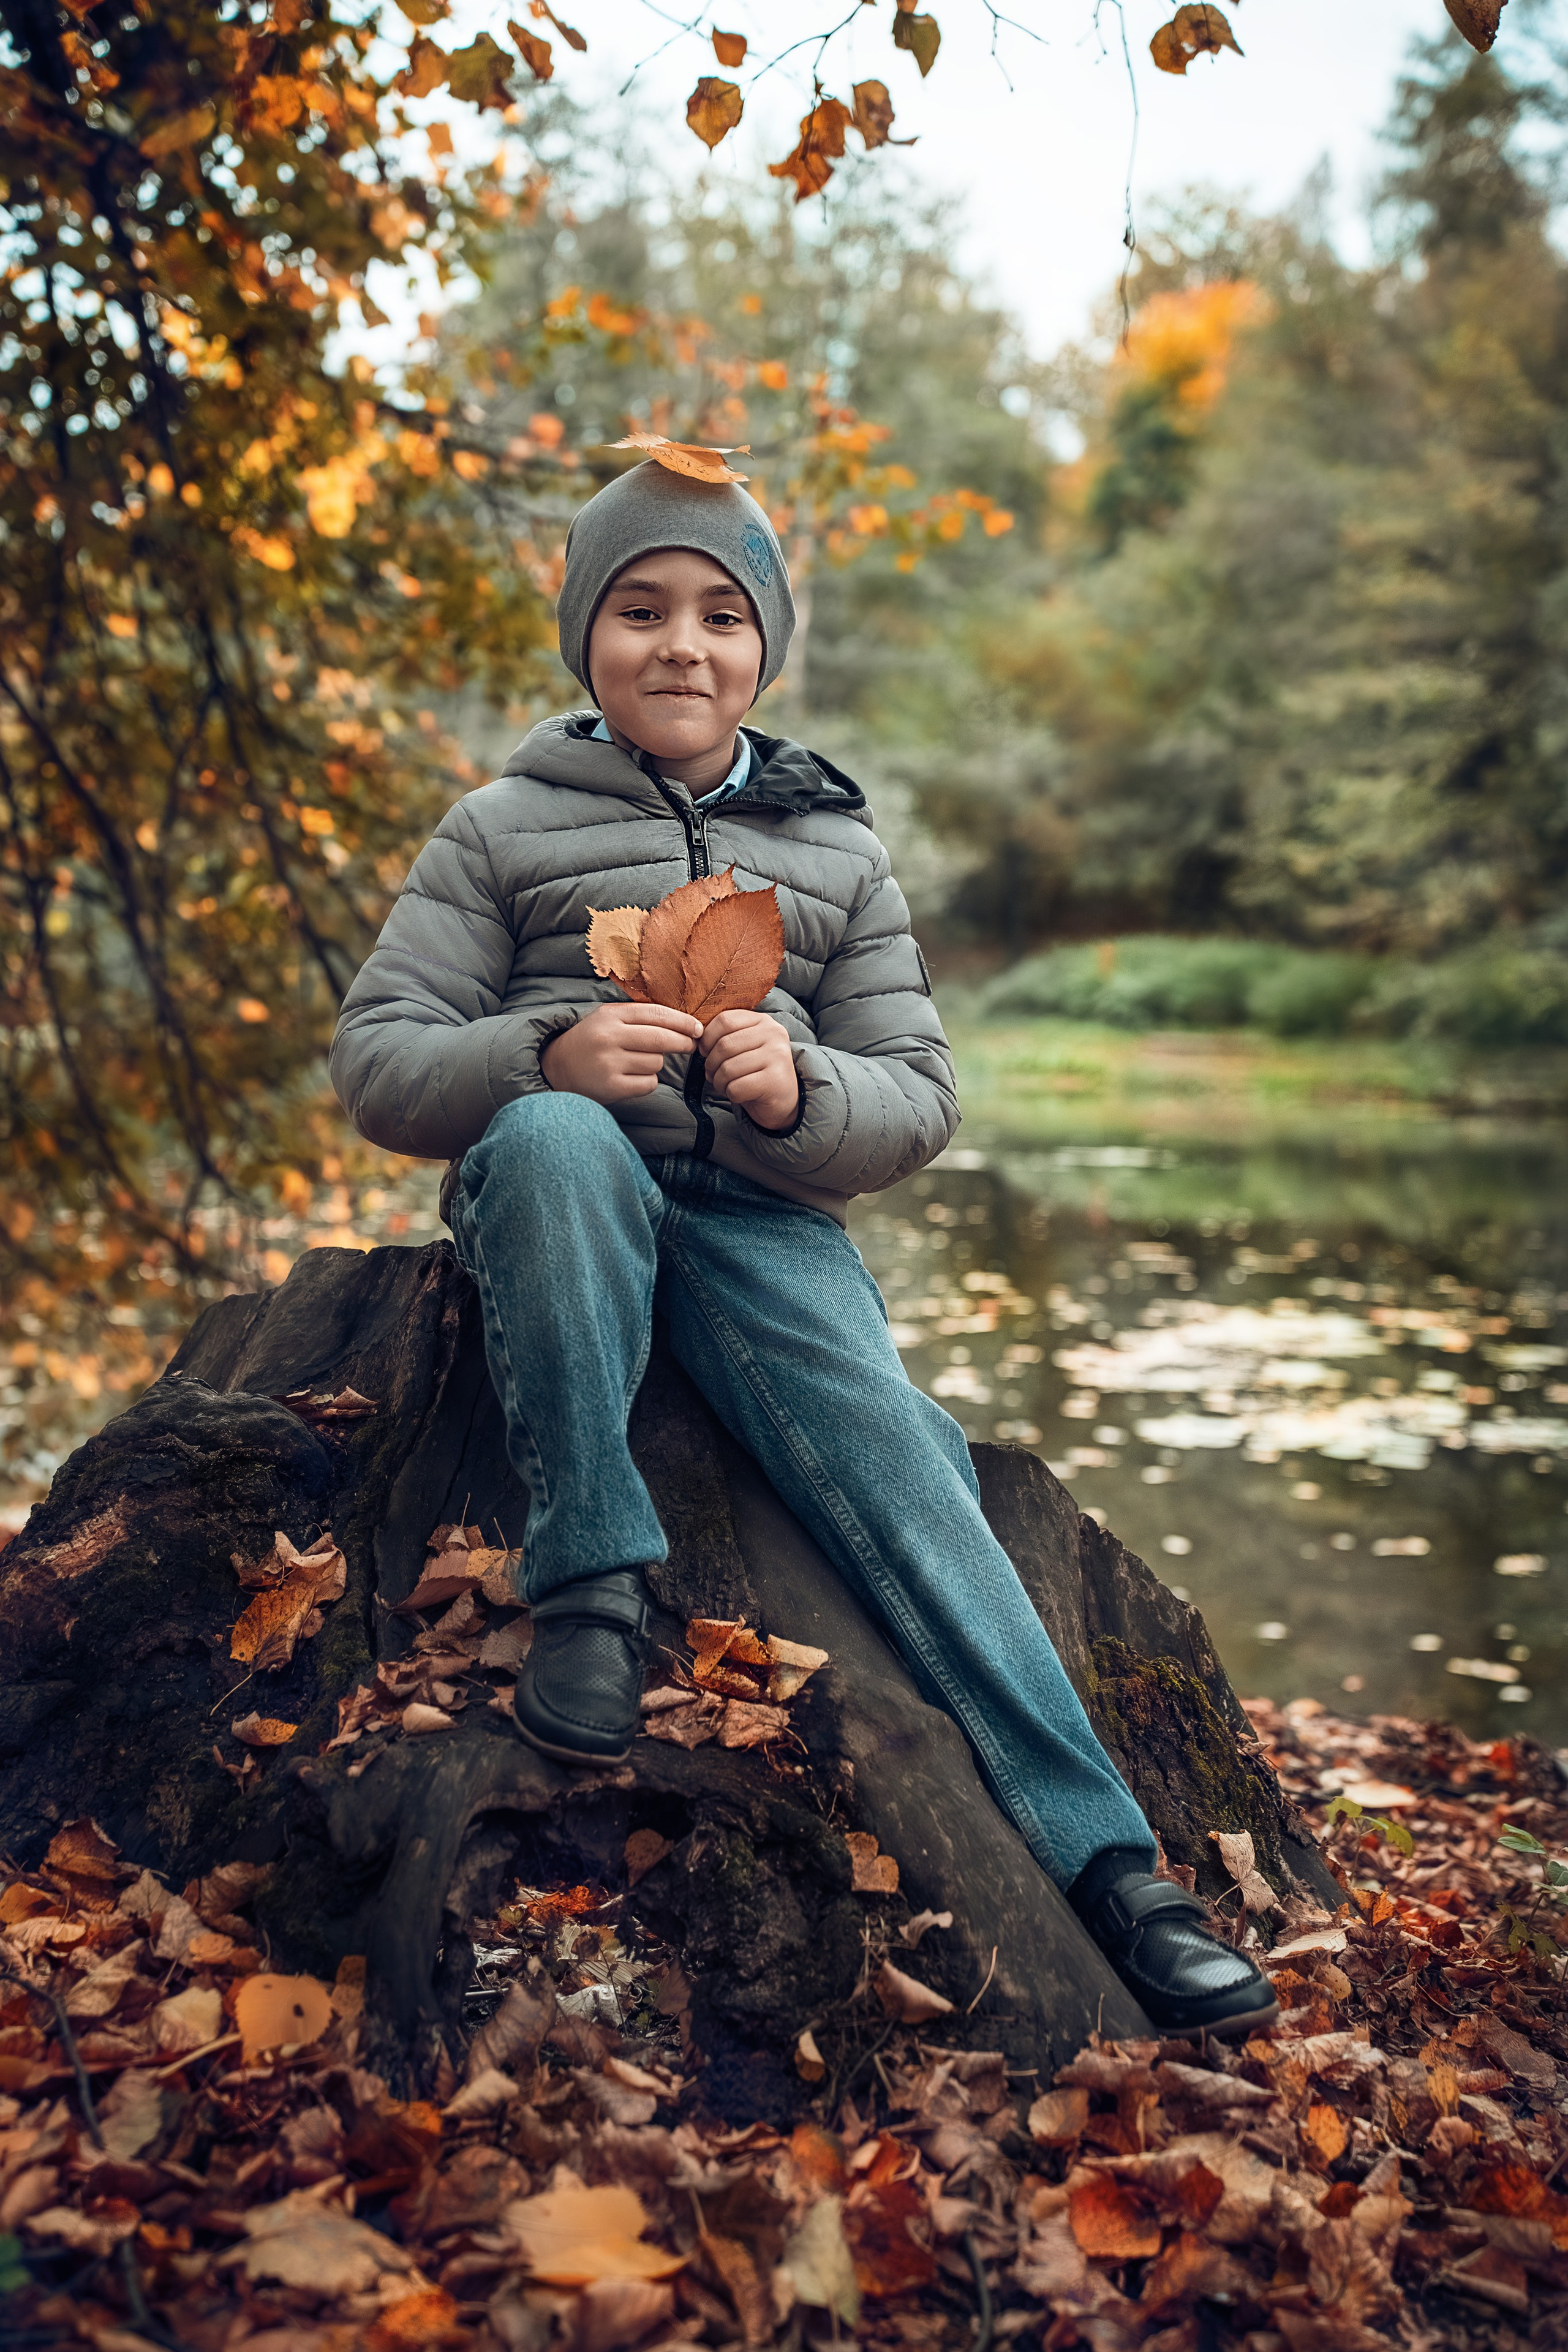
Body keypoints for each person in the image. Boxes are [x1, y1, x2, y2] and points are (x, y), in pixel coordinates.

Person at [329, 457, 1275, 2038]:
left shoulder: (834, 846)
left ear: (764, 645)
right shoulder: (499, 828)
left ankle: (1113, 1866)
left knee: (912, 1473)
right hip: (569, 1195)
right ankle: (592, 1583)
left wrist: (805, 1085)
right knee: (559, 1146)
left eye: (719, 613)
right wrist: (544, 1054)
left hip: (766, 1222)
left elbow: (919, 1098)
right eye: (640, 611)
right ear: (587, 639)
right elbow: (379, 1058)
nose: (680, 645)